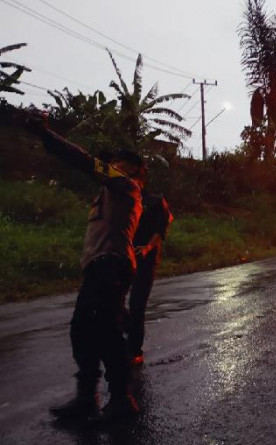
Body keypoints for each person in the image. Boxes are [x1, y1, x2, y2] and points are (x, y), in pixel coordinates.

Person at [30, 116, 144, 423]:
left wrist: (49, 137)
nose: (111, 165)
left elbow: (87, 163)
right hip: (100, 268)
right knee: (83, 329)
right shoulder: (108, 193)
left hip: (111, 267)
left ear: (132, 169)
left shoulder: (126, 185)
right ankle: (88, 398)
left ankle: (120, 399)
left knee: (104, 330)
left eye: (118, 161)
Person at [126, 190, 173, 366]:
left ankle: (134, 351)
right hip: (124, 254)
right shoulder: (123, 195)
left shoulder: (155, 200)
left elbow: (161, 230)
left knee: (137, 303)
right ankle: (124, 337)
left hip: (145, 258)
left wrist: (146, 248)